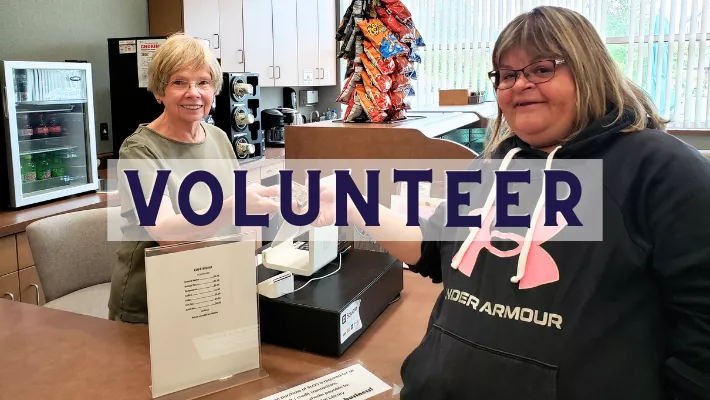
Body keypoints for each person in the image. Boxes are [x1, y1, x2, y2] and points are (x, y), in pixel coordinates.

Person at [310, 6, 710, 399]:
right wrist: (349, 203)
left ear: (590, 70)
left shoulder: (661, 170)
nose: (519, 84)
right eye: (507, 75)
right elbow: (433, 250)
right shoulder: (494, 166)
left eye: (541, 69)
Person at [108, 33, 281, 324]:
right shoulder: (139, 151)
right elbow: (165, 233)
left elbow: (231, 197)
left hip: (211, 288)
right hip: (153, 304)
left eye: (203, 82)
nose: (194, 92)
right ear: (158, 91)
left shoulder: (218, 137)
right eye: (179, 82)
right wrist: (235, 206)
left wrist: (269, 198)